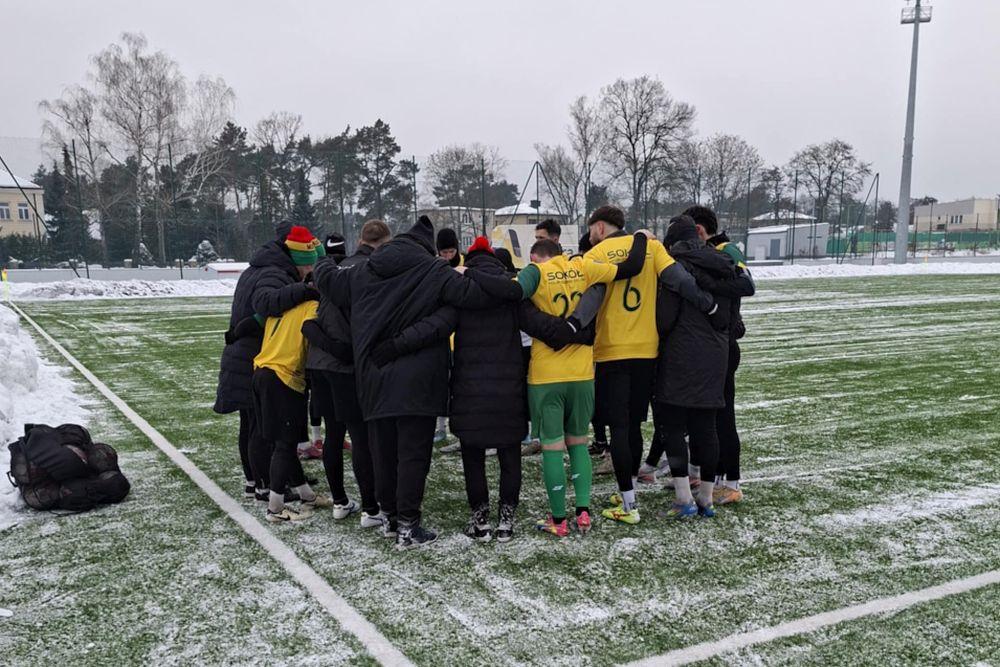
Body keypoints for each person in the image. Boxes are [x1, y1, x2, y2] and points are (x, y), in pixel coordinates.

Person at [315, 216, 515, 549]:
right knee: (412, 455)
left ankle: (391, 520)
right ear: (427, 248)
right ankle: (409, 524)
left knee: (383, 452)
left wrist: (320, 257)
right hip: (420, 379)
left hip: (373, 377)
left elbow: (328, 283)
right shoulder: (436, 273)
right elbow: (477, 296)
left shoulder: (363, 271)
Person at [467, 234, 650, 538]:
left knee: (552, 446)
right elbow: (630, 266)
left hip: (546, 374)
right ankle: (583, 512)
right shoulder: (585, 266)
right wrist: (641, 237)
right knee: (578, 441)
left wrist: (471, 272)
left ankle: (558, 519)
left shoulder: (536, 273)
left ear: (537, 256)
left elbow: (508, 291)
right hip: (582, 373)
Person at [583, 205, 718, 526]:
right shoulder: (652, 247)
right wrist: (709, 305)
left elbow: (587, 303)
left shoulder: (594, 255)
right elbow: (680, 280)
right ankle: (628, 492)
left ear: (600, 228)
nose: (589, 235)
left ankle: (627, 501)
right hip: (647, 350)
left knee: (618, 427)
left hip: (610, 350)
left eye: (590, 229)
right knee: (634, 424)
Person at [653, 216, 753, 519]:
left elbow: (665, 319)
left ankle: (684, 498)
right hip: (717, 355)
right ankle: (706, 499)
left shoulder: (674, 268)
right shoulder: (724, 263)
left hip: (680, 355)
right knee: (707, 426)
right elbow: (733, 313)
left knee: (672, 425)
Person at [214, 219, 317, 499]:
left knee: (252, 422)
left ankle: (257, 481)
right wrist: (306, 291)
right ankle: (264, 485)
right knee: (261, 426)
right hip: (256, 356)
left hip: (245, 354)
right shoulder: (274, 271)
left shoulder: (263, 266)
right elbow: (266, 302)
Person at [304, 220, 393, 526]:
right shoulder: (368, 271)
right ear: (383, 243)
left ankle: (340, 501)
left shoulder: (339, 268)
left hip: (319, 361)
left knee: (332, 434)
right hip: (344, 364)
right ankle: (371, 509)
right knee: (360, 437)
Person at [250, 225, 334, 522]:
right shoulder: (310, 304)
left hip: (262, 370)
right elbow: (312, 332)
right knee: (285, 444)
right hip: (282, 376)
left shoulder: (286, 301)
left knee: (286, 439)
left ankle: (306, 494)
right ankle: (275, 508)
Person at [684, 205, 753, 505]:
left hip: (723, 345)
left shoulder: (728, 250)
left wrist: (709, 284)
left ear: (699, 230)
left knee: (723, 417)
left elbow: (747, 284)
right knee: (706, 417)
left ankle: (732, 482)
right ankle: (706, 474)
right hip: (709, 344)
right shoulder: (709, 252)